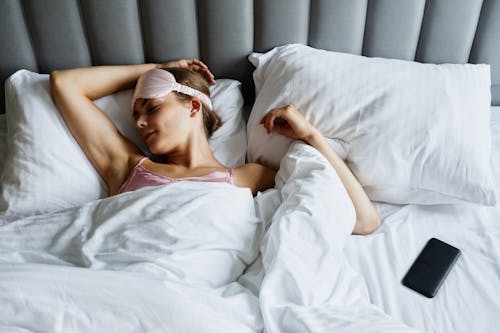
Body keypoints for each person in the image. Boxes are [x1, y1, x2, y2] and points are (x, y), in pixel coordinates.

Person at [50, 58, 380, 235]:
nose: (138, 123)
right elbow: (65, 84)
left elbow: (363, 220)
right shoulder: (128, 166)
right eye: (136, 115)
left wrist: (311, 137)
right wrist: (154, 68)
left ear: (193, 107)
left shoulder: (249, 177)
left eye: (151, 108)